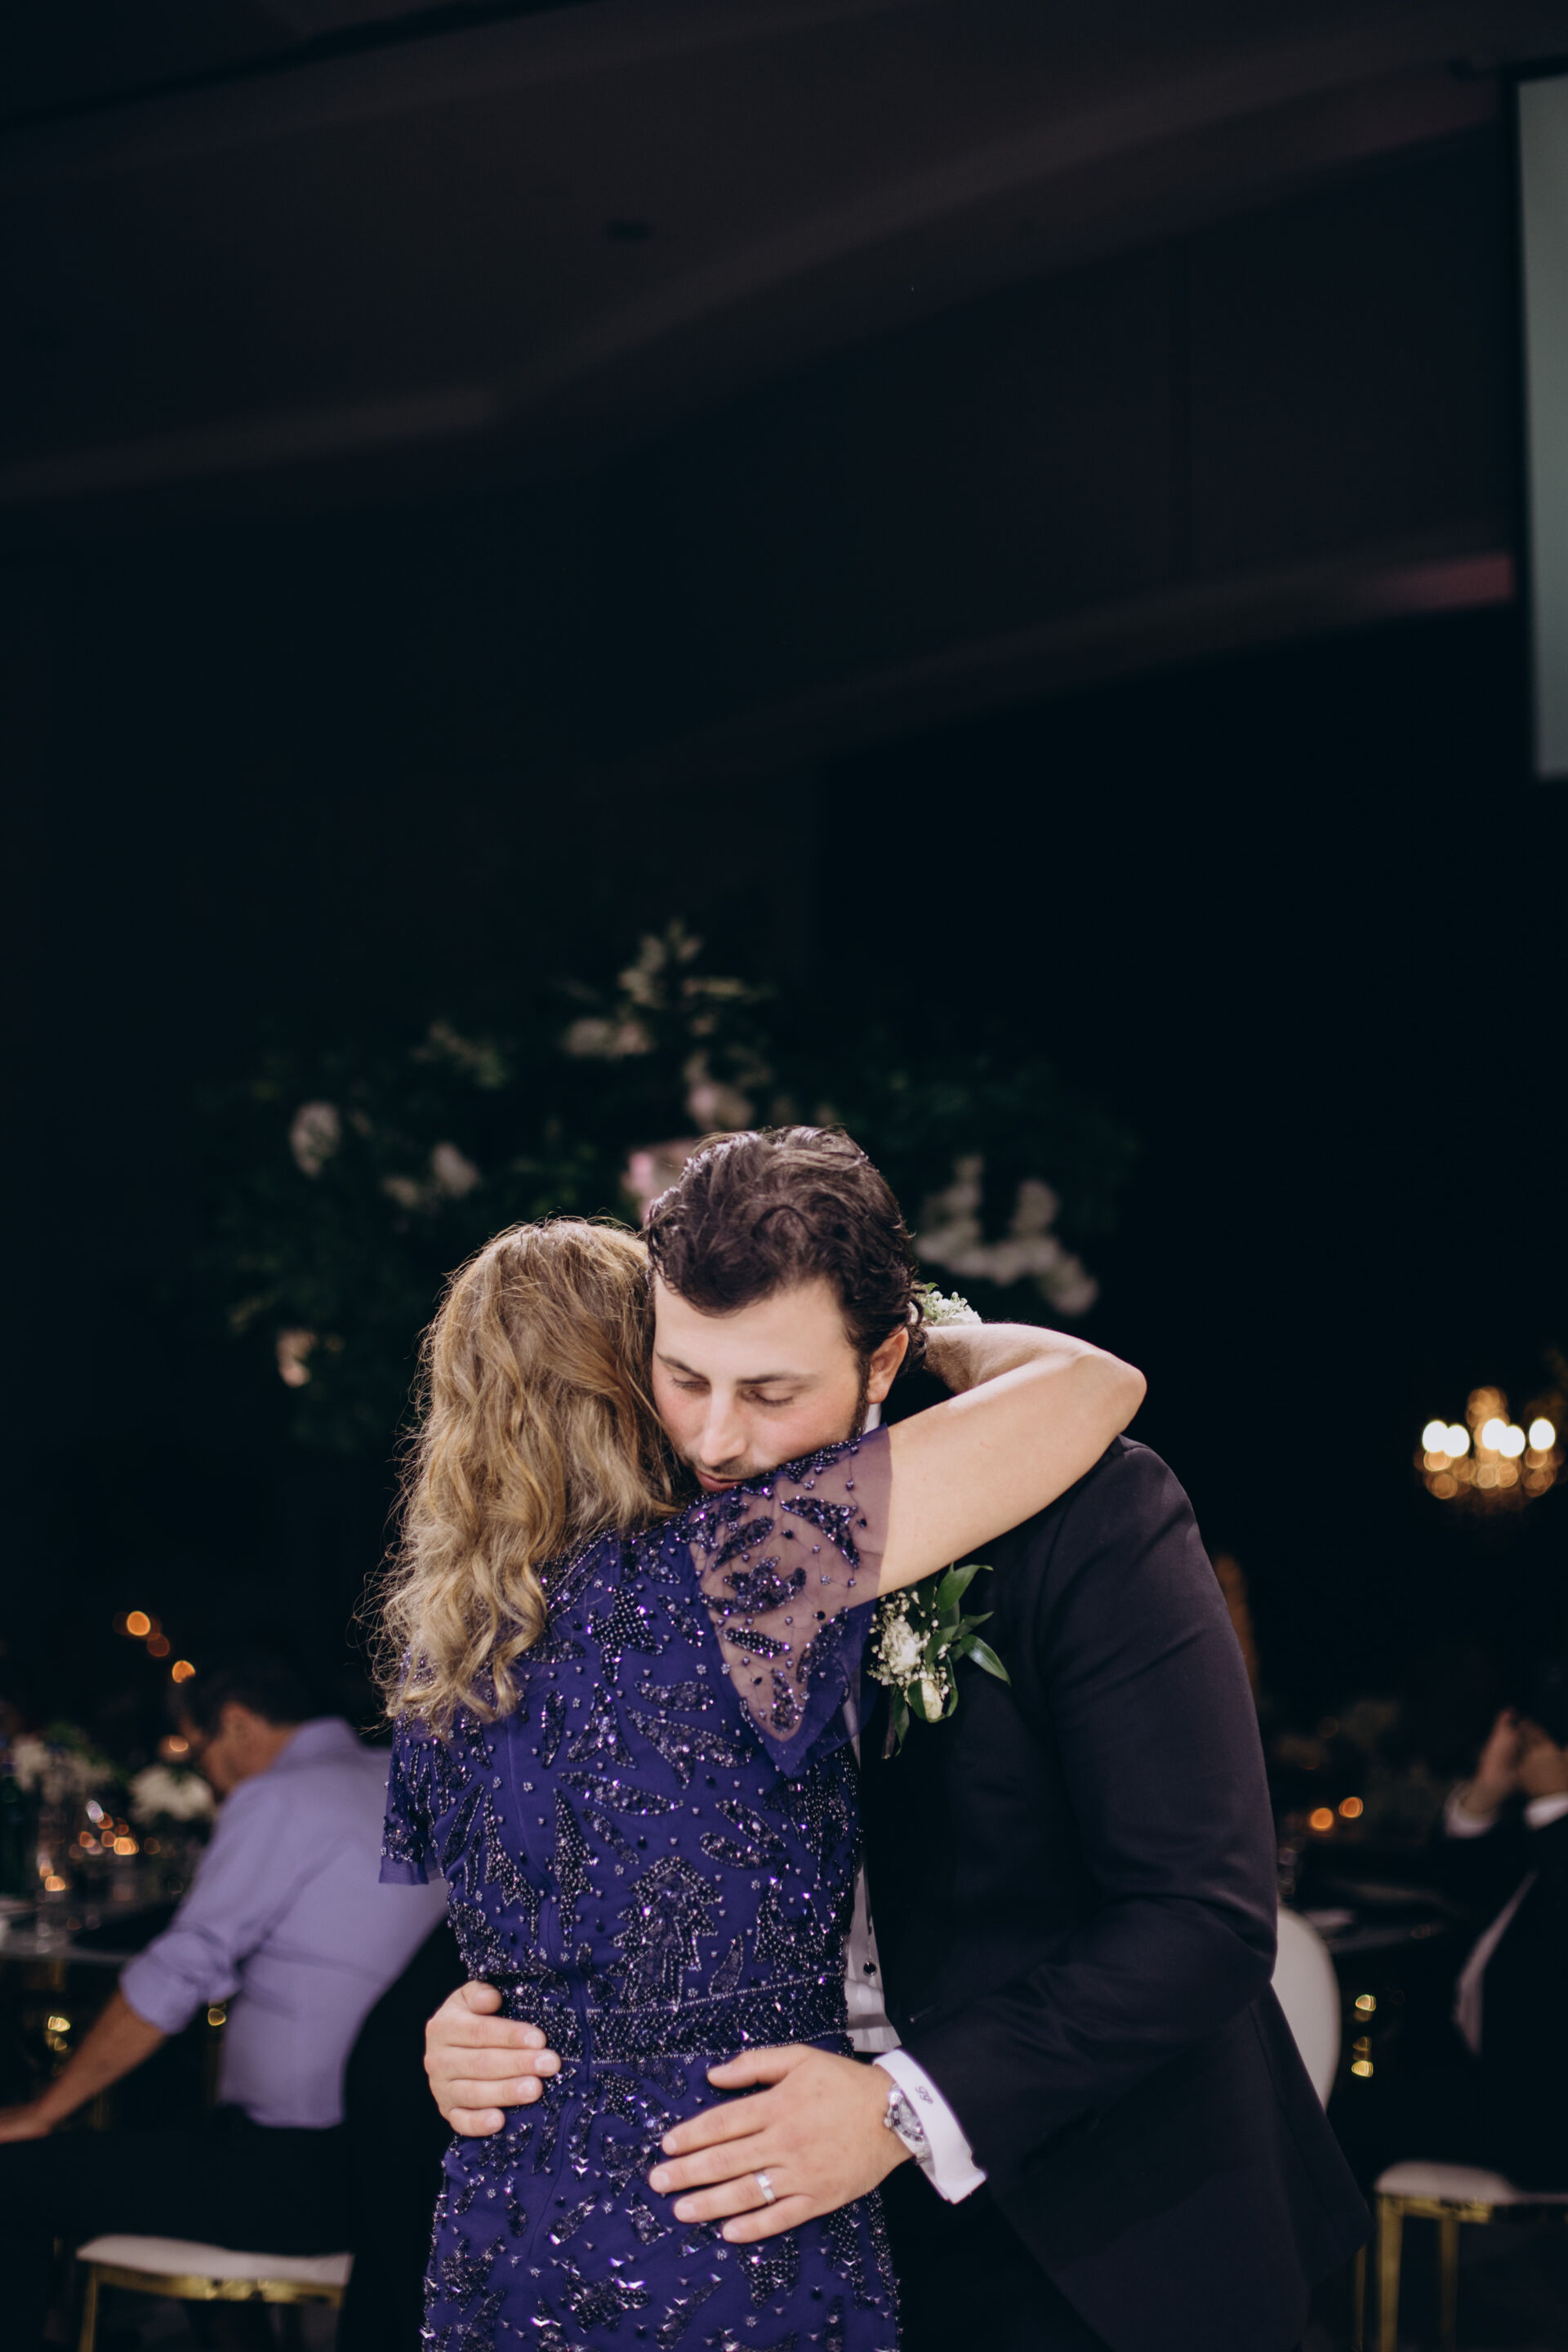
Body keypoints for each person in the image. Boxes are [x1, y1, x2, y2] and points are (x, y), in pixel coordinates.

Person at [425, 1128, 1370, 2352]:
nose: (716, 1441)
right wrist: (488, 2027)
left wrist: (902, 2108)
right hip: (776, 2238)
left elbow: (1203, 1917)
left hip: (1088, 2220)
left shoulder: (1086, 1505)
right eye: (684, 1377)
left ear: (882, 1356)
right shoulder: (650, 1563)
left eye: (772, 1393)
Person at [376, 1200, 1143, 2352]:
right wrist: (909, 1339)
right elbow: (1092, 1386)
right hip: (730, 2194)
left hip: (510, 2204)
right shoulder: (744, 1569)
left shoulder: (444, 1655)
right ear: (635, 1381)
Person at [0, 1650, 448, 2352]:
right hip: (398, 2168)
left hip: (296, 2172)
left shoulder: (282, 1797)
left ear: (236, 1724)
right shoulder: (406, 1778)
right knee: (168, 2123)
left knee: (14, 2176)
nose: (203, 1774)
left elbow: (178, 1972)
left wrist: (43, 2110)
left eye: (197, 1749)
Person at [1436, 1699, 1568, 2186]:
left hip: (1540, 2122)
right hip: (1472, 2076)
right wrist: (1488, 1792)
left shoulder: (1555, 1830)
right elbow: (1456, 1885)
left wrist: (1556, 1803)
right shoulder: (1543, 1836)